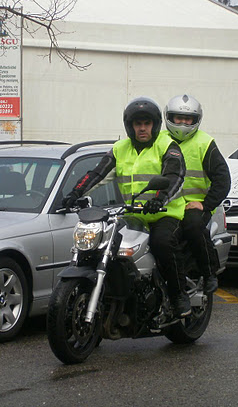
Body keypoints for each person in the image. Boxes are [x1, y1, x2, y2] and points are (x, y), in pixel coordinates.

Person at [62, 97, 192, 317]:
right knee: (104, 245)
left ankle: (179, 294)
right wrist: (75, 193)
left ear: (155, 125)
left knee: (162, 243)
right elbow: (97, 174)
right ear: (130, 126)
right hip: (134, 215)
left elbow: (174, 176)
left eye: (147, 123)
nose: (142, 128)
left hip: (165, 213)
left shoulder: (167, 145)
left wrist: (159, 199)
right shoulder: (120, 149)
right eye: (137, 124)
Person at [164, 94, 231, 294]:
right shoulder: (160, 140)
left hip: (195, 204)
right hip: (167, 204)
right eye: (179, 118)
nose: (183, 123)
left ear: (196, 120)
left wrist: (206, 204)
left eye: (188, 119)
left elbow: (223, 179)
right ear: (169, 117)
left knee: (193, 227)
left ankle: (209, 272)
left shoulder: (205, 143)